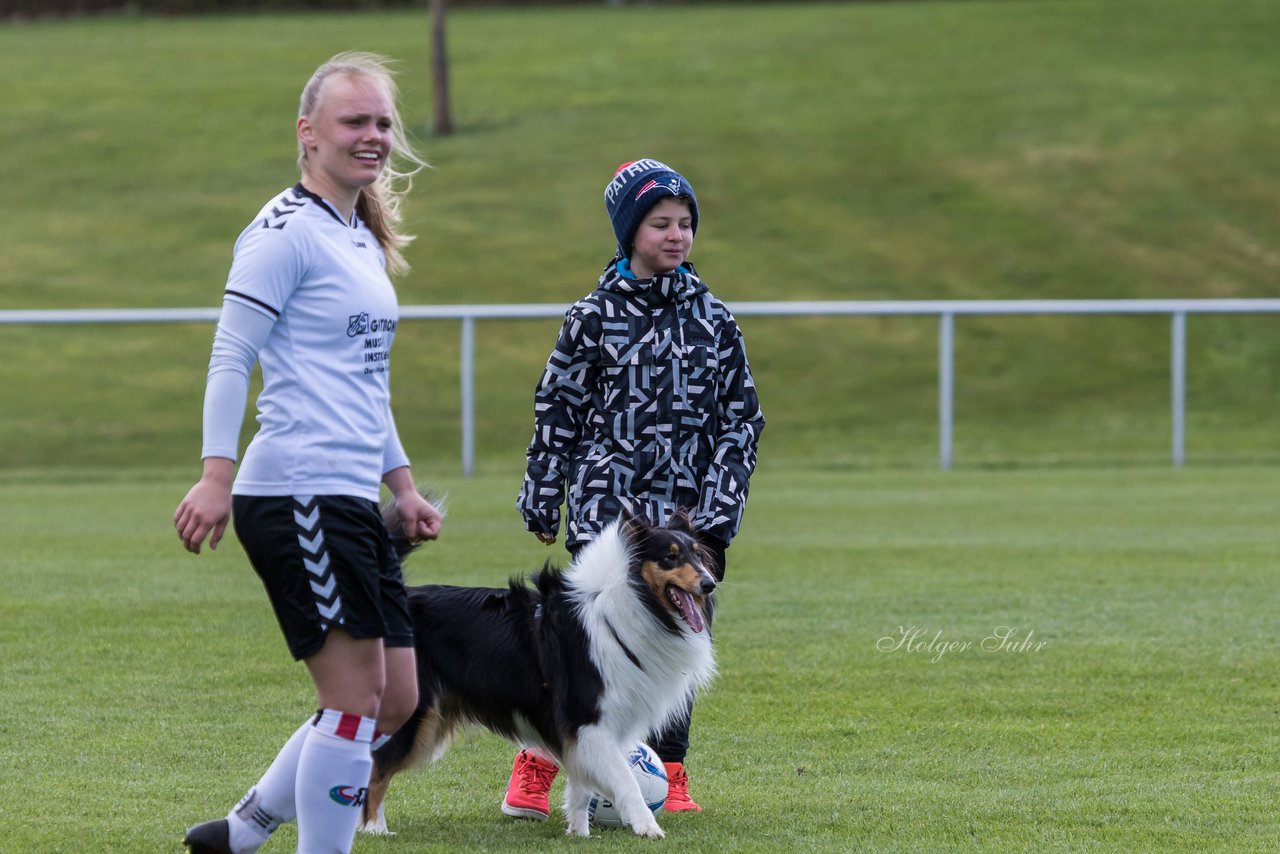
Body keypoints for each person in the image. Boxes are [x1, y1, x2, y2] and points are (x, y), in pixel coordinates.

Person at [172, 52, 442, 854]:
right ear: (308, 132)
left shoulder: (356, 236)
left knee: (398, 700)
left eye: (382, 122)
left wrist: (404, 486)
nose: (373, 136)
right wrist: (216, 475)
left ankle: (244, 829)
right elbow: (231, 354)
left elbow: (365, 382)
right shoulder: (280, 233)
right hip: (295, 492)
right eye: (354, 121)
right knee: (358, 703)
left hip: (349, 495)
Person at [508, 158, 765, 820]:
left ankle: (669, 774)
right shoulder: (592, 317)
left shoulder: (714, 318)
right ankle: (536, 770)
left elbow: (741, 419)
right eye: (660, 224)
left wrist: (719, 513)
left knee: (684, 640)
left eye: (685, 224)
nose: (676, 235)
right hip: (607, 517)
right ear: (628, 232)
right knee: (587, 652)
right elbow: (556, 409)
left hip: (689, 521)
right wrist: (542, 492)